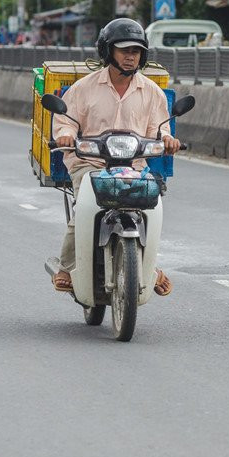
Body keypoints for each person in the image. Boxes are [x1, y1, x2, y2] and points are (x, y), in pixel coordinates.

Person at [50, 18, 182, 294]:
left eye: (136, 51)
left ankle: (150, 267)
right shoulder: (84, 88)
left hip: (133, 165)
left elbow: (159, 130)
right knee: (86, 205)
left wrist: (168, 140)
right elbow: (66, 122)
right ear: (108, 51)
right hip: (90, 162)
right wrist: (65, 135)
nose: (130, 56)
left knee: (152, 206)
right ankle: (66, 265)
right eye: (124, 50)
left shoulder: (151, 92)